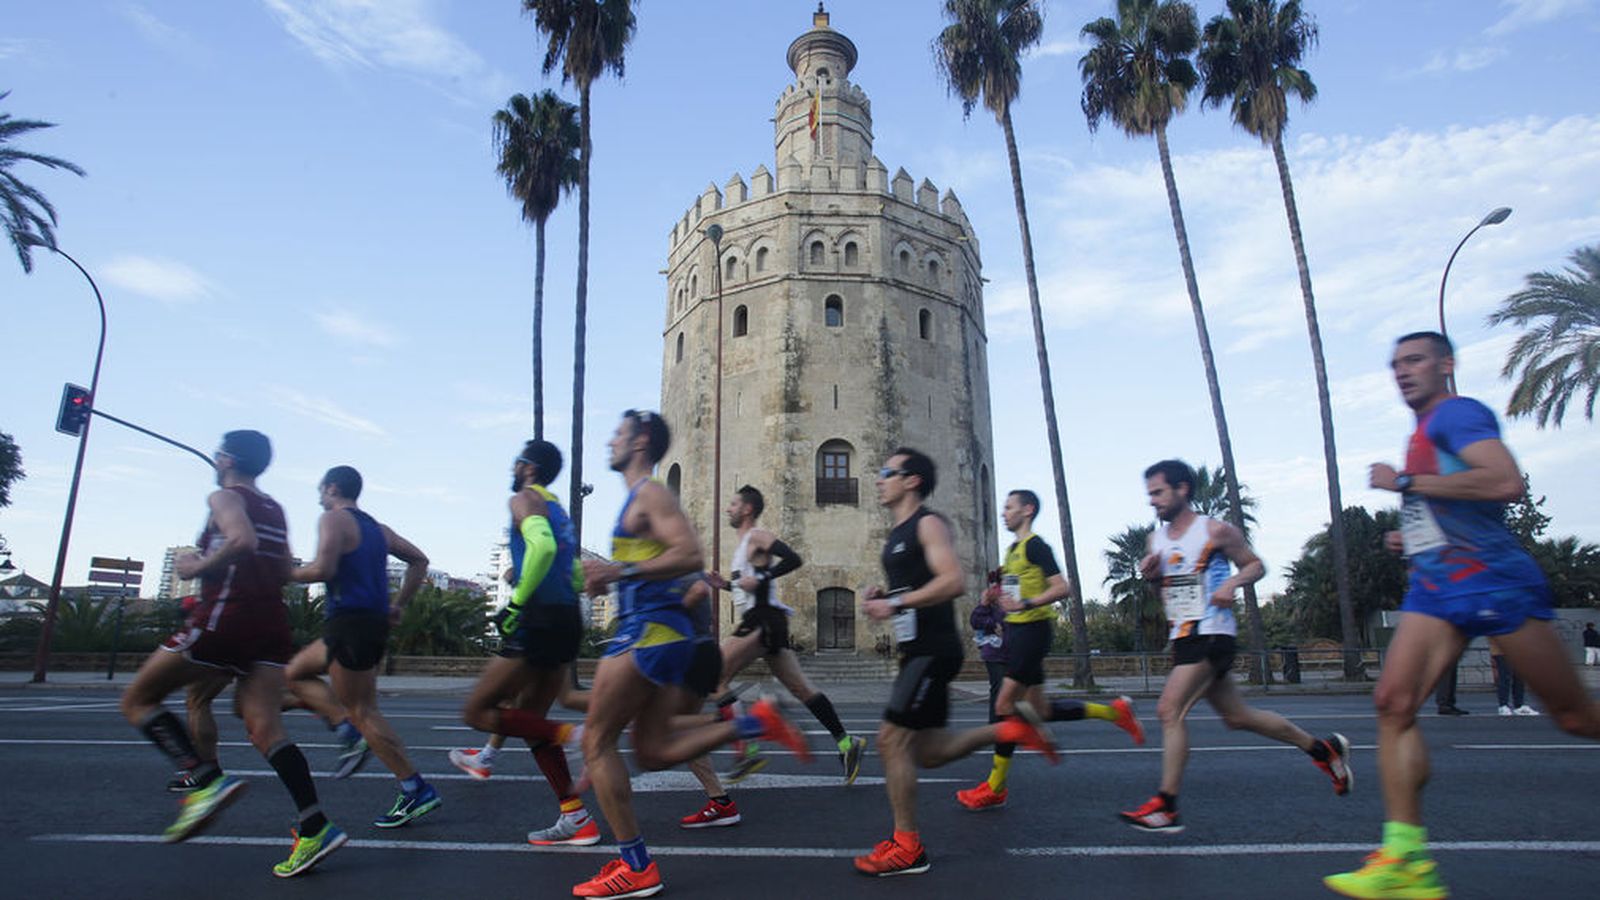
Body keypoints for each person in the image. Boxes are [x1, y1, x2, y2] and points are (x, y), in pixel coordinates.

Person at [1325, 332, 1600, 899]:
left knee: (1575, 719)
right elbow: (1453, 503)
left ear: (1445, 365)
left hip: (1493, 580)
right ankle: (1406, 859)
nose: (1403, 372)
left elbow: (1504, 481)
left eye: (1416, 360)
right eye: (1395, 364)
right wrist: (1413, 537)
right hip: (1437, 587)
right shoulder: (1422, 432)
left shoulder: (1458, 414)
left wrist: (1403, 483)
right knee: (1393, 704)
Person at [571, 410, 811, 898]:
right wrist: (609, 578)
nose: (609, 442)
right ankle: (754, 723)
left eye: (617, 434)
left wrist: (614, 573)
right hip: (659, 632)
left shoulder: (651, 494)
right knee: (653, 749)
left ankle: (635, 866)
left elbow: (690, 556)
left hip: (649, 633)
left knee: (597, 740)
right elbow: (658, 563)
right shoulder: (640, 499)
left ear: (640, 442)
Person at [117, 430, 345, 877]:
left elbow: (241, 541)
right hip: (270, 624)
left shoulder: (224, 498)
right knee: (264, 728)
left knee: (137, 700)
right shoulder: (276, 510)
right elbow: (283, 569)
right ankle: (315, 825)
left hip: (226, 616)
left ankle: (203, 782)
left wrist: (193, 567)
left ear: (224, 458)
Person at [854, 448, 1059, 878]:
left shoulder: (927, 523)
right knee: (926, 753)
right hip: (919, 650)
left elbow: (952, 580)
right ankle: (1011, 729)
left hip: (933, 650)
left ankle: (908, 846)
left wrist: (897, 604)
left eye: (887, 472)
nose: (878, 479)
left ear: (911, 481)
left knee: (891, 741)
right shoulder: (897, 532)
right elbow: (914, 586)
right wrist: (885, 596)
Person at [1121, 459, 1351, 834]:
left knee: (1169, 710)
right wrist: (1151, 577)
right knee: (1237, 717)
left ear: (1182, 490)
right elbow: (1162, 591)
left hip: (1213, 631)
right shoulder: (1156, 541)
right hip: (1184, 635)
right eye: (1149, 495)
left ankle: (1166, 806)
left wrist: (1234, 583)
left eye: (1159, 493)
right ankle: (1322, 751)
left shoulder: (1215, 531)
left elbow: (1256, 565)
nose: (1153, 502)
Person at [957, 489, 1144, 811]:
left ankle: (996, 785)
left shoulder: (1035, 545)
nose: (1003, 512)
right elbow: (1019, 588)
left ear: (1027, 510)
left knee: (1003, 704)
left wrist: (1025, 603)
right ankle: (1114, 712)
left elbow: (1062, 587)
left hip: (1032, 631)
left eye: (1009, 507)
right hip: (1019, 632)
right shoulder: (1014, 549)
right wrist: (997, 595)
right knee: (1039, 709)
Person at [451, 441, 598, 846]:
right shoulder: (559, 511)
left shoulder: (524, 499)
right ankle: (577, 818)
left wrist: (516, 604)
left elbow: (544, 548)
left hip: (538, 617)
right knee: (533, 726)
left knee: (477, 711)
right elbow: (572, 572)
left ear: (527, 467)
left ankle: (574, 736)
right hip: (566, 617)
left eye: (517, 461)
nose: (513, 467)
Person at [284, 465, 439, 827]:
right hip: (366, 625)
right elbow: (420, 560)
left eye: (321, 490)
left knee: (363, 713)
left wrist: (284, 573)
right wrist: (398, 605)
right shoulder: (378, 529)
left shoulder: (333, 520)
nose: (319, 497)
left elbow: (322, 569)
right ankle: (347, 729)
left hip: (350, 623)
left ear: (333, 488)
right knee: (294, 673)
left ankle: (413, 786)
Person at [703, 485, 865, 785]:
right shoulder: (743, 546)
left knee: (713, 676)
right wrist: (725, 585)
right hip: (767, 620)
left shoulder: (757, 537)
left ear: (747, 509)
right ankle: (846, 743)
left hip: (762, 620)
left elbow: (793, 559)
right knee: (802, 689)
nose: (728, 508)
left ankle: (748, 748)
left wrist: (763, 576)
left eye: (733, 504)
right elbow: (749, 586)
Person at [969, 578, 1006, 723]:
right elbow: (975, 622)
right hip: (994, 655)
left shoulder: (1013, 602)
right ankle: (996, 726)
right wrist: (984, 603)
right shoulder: (987, 608)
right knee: (999, 688)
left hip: (1013, 652)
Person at [1487, 636, 1538, 716]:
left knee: (1519, 677)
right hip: (1501, 650)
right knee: (1505, 677)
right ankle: (1503, 705)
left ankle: (1519, 705)